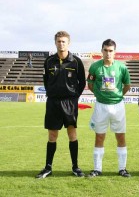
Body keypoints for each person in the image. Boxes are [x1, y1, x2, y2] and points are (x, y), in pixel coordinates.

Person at [36, 31, 86, 179]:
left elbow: (82, 83)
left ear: (68, 43)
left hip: (70, 102)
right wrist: (53, 92)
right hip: (53, 102)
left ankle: (75, 167)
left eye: (64, 41)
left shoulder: (76, 61)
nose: (61, 44)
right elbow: (46, 81)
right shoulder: (48, 61)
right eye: (59, 41)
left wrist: (74, 97)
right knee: (52, 135)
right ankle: (48, 167)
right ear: (55, 43)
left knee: (72, 134)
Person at [87, 39, 131, 177]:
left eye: (111, 51)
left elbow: (127, 86)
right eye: (105, 50)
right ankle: (97, 169)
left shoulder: (122, 67)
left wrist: (117, 96)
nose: (108, 53)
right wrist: (100, 95)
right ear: (102, 51)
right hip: (101, 106)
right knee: (99, 137)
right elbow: (90, 85)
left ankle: (122, 168)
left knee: (121, 137)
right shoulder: (95, 67)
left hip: (118, 106)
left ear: (115, 52)